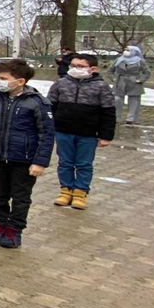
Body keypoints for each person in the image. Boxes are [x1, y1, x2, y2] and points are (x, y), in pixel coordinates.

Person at [0, 59, 56, 250]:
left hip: (23, 159)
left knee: (20, 196)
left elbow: (46, 133)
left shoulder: (37, 102)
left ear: (20, 81)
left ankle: (14, 230)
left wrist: (40, 162)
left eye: (4, 78)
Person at [48, 53, 115, 211]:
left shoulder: (101, 87)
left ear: (92, 69)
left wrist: (106, 135)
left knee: (84, 164)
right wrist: (49, 127)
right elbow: (50, 106)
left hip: (88, 133)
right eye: (73, 65)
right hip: (63, 130)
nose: (75, 69)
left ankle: (80, 192)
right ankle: (66, 190)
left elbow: (109, 112)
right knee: (65, 162)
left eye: (80, 66)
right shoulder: (61, 83)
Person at [109, 45, 151, 125]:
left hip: (134, 82)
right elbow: (110, 70)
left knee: (134, 101)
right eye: (125, 50)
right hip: (120, 81)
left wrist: (140, 80)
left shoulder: (139, 61)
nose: (126, 51)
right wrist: (114, 78)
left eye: (128, 50)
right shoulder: (119, 60)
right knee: (117, 99)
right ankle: (116, 117)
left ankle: (131, 119)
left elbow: (147, 72)